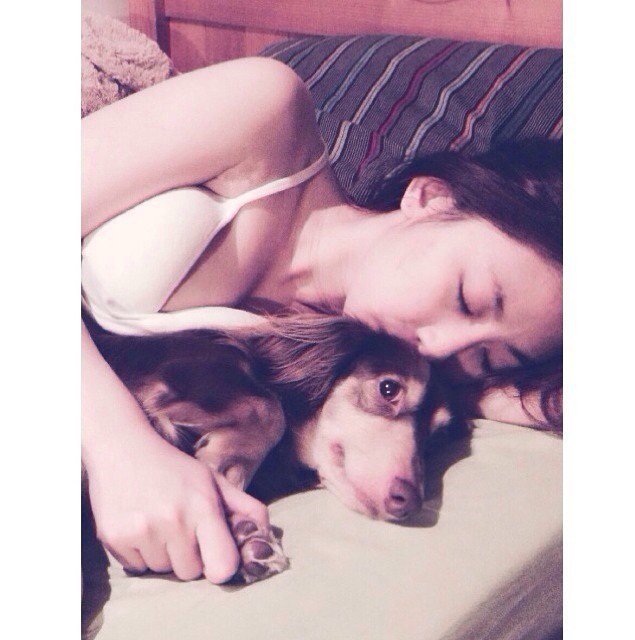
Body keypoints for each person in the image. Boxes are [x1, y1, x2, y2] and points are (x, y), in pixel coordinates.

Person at [81, 57, 562, 586]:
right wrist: (119, 448)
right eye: (466, 298)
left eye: (486, 356)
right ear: (430, 199)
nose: (438, 347)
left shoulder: (332, 378)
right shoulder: (266, 115)